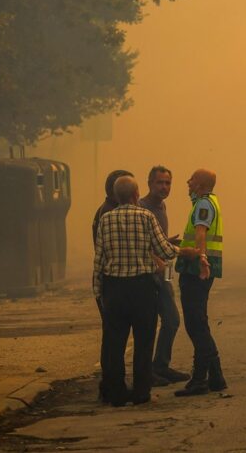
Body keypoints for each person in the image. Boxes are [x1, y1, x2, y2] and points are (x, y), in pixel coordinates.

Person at [93, 175, 179, 407]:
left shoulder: (106, 219)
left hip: (114, 288)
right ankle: (141, 391)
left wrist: (99, 292)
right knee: (143, 342)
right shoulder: (146, 216)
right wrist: (184, 250)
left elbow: (99, 259)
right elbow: (165, 250)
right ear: (135, 195)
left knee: (115, 343)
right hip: (142, 288)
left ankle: (116, 393)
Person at [173, 168, 227, 397]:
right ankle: (215, 377)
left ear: (202, 185)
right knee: (199, 321)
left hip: (197, 269)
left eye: (192, 179)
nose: (188, 182)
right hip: (201, 267)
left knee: (195, 324)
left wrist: (201, 259)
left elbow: (201, 233)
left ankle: (200, 380)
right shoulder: (209, 202)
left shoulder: (204, 204)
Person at [138, 165, 190, 385]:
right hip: (149, 273)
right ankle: (152, 369)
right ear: (149, 183)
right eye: (159, 182)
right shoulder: (142, 208)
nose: (164, 187)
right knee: (167, 319)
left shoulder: (162, 206)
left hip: (165, 270)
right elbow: (139, 244)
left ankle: (160, 366)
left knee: (171, 319)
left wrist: (168, 243)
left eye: (168, 183)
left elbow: (157, 242)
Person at [91, 168, 133, 403]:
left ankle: (109, 385)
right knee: (114, 337)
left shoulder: (106, 211)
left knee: (111, 335)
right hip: (111, 281)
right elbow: (107, 253)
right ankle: (112, 385)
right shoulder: (109, 213)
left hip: (106, 280)